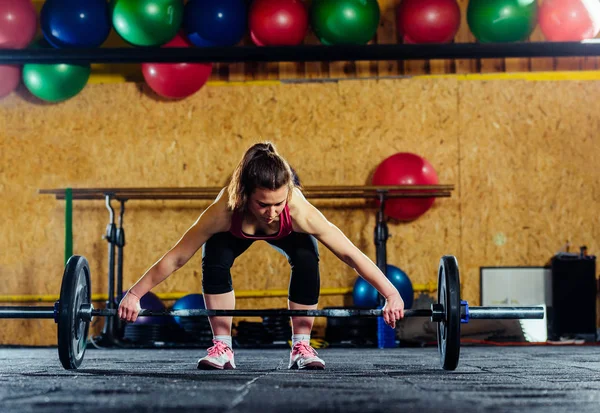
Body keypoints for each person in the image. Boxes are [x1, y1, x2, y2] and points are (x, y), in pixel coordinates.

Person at [118, 142, 405, 370]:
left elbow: (349, 254)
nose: (272, 212)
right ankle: (223, 348)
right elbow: (176, 257)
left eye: (279, 202)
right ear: (244, 195)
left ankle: (301, 347)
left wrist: (391, 294)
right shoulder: (224, 210)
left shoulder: (298, 210)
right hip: (233, 234)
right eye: (263, 204)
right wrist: (134, 294)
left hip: (289, 236)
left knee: (307, 258)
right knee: (214, 257)